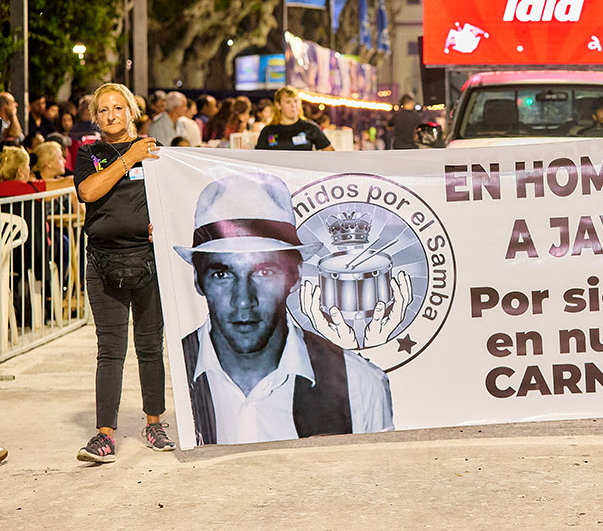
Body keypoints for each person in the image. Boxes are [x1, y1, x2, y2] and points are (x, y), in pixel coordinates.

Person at [172, 173, 395, 445]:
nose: (243, 301)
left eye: (264, 272)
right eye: (223, 274)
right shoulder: (170, 379)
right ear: (198, 279)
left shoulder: (359, 385)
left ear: (296, 276)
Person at [73, 83, 175, 463]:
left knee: (150, 348)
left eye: (118, 108)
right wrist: (128, 158)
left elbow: (173, 198)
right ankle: (104, 435)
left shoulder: (155, 153)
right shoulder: (89, 154)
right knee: (110, 350)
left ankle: (154, 422)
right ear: (96, 117)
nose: (111, 115)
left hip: (149, 262)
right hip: (102, 263)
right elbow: (89, 192)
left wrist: (162, 223)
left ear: (131, 111)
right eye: (104, 110)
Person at [255, 87, 333, 151]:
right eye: (288, 102)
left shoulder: (310, 128)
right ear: (278, 105)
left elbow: (330, 153)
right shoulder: (268, 131)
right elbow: (258, 158)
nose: (293, 105)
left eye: (296, 101)